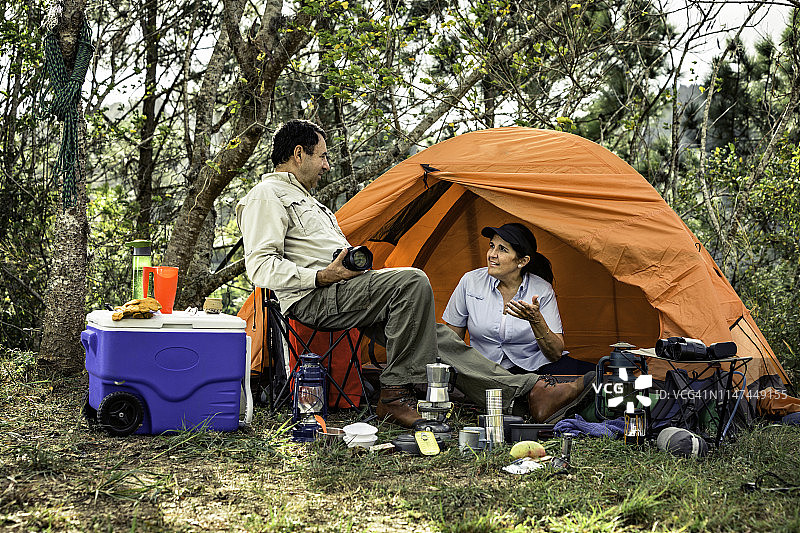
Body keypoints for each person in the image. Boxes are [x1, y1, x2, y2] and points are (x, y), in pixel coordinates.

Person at [236, 119, 594, 427]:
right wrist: (321, 276)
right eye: (323, 156)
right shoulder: (267, 196)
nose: (328, 165)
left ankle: (529, 393)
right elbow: (261, 267)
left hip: (347, 292)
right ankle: (396, 393)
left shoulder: (311, 202)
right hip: (316, 298)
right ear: (299, 154)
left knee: (436, 336)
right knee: (412, 280)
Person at [443, 223, 568, 374]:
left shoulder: (542, 289)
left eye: (502, 249)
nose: (491, 254)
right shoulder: (470, 282)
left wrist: (536, 320)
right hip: (482, 369)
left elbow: (555, 354)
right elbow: (452, 340)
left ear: (522, 261)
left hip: (532, 368)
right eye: (492, 246)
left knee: (592, 376)